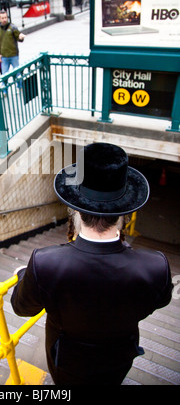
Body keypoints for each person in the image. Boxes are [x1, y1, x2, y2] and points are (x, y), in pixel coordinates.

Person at [11, 142, 173, 385]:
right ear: (125, 214)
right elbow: (160, 300)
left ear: (74, 210)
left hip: (67, 362)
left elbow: (22, 308)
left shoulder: (44, 263)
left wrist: (25, 275)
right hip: (119, 359)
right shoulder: (156, 266)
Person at [0, 10, 25, 90]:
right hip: (4, 56)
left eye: (5, 17)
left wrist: (21, 37)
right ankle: (4, 90)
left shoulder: (12, 27)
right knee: (4, 75)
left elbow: (18, 36)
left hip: (13, 55)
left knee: (17, 73)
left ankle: (20, 86)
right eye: (2, 18)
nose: (4, 19)